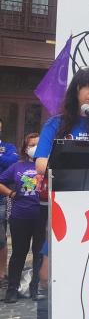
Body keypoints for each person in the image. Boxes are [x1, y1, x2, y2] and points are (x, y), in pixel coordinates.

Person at [0, 133, 45, 302]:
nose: (34, 148)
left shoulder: (48, 165)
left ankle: (35, 288)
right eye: (31, 145)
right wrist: (11, 193)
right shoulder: (17, 166)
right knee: (19, 253)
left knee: (39, 254)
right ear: (25, 149)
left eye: (37, 145)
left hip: (41, 217)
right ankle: (12, 289)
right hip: (20, 217)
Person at [0, 117, 19, 285]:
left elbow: (11, 161)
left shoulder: (8, 147)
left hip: (1, 198)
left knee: (1, 237)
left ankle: (2, 272)